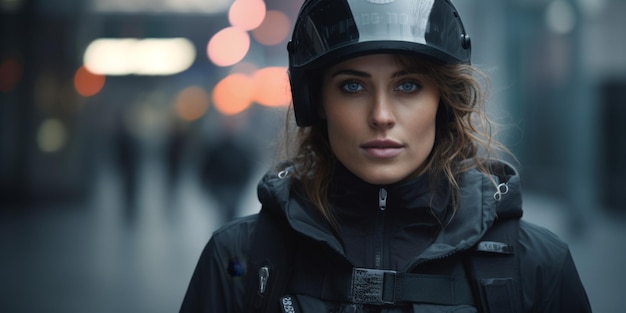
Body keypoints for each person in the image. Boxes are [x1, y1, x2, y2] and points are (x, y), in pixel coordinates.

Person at [180, 0, 592, 312]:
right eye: (352, 87)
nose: (380, 116)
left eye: (408, 86)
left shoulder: (537, 266)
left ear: (443, 102)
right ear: (316, 102)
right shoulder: (238, 259)